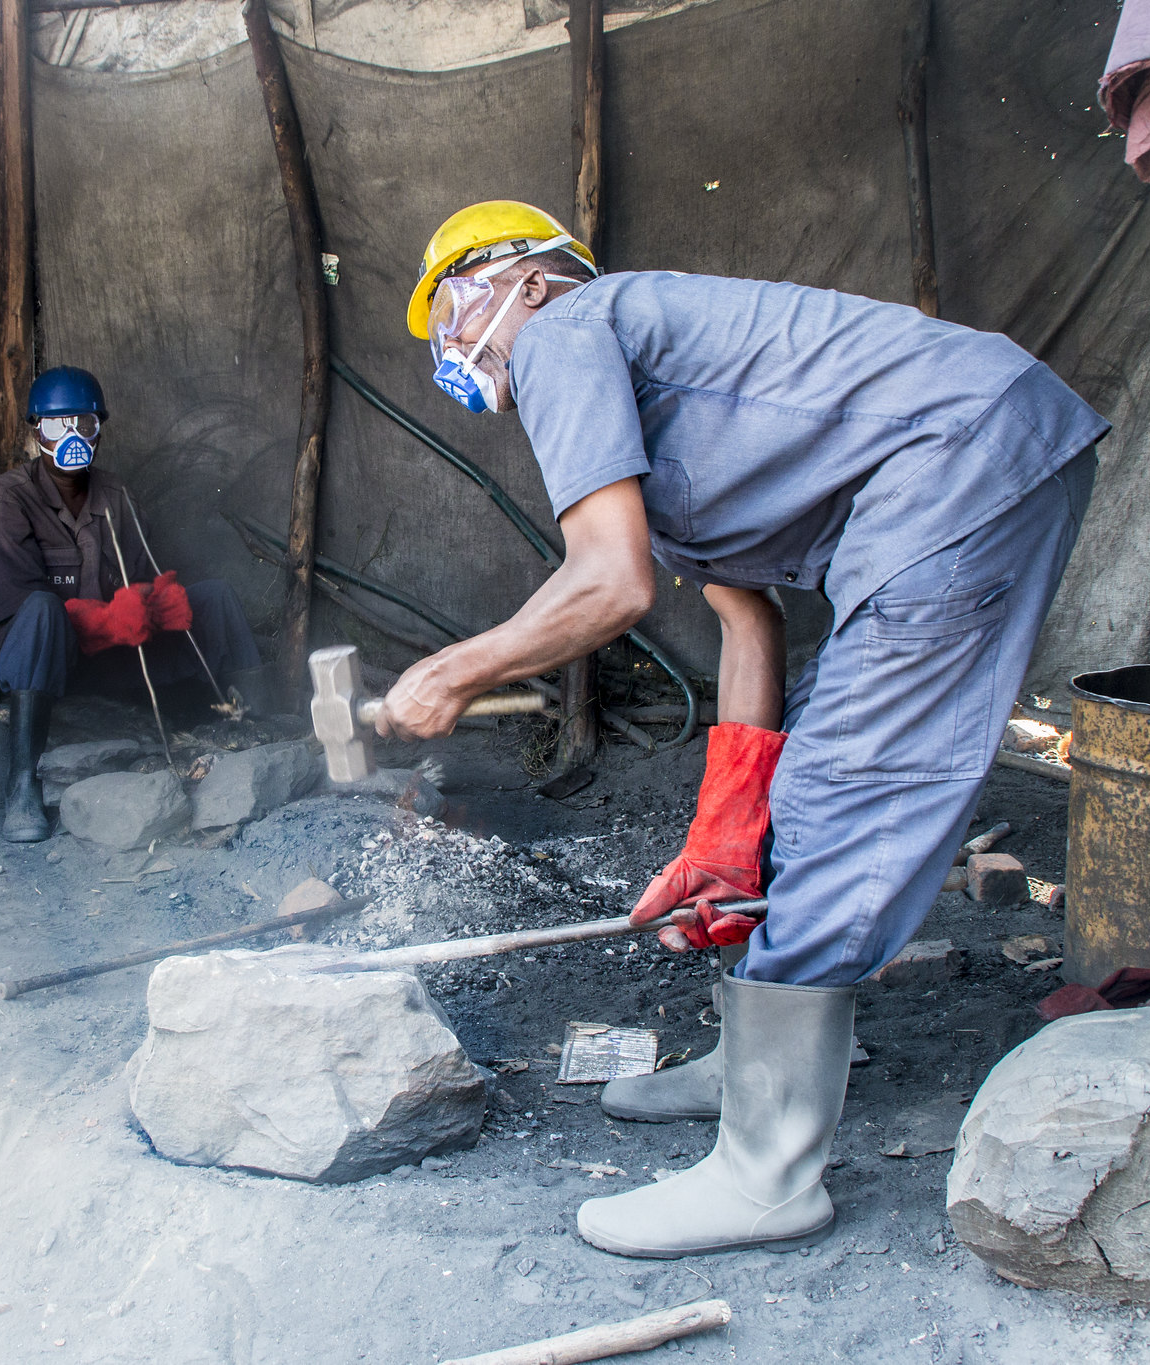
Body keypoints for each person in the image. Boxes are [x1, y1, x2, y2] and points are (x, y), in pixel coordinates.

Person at [380, 202, 1107, 1258]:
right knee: (802, 784)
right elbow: (744, 620)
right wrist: (723, 837)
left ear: (527, 281)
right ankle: (754, 1060)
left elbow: (607, 584)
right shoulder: (654, 408)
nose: (446, 343)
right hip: (960, 462)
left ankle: (766, 1175)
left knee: (844, 789)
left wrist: (451, 673)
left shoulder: (564, 335)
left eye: (448, 307)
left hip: (958, 464)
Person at [0, 365, 268, 843]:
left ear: (99, 431)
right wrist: (108, 620)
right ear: (35, 433)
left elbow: (141, 580)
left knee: (214, 597)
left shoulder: (114, 494)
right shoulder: (6, 498)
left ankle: (255, 724)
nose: (71, 437)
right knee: (43, 613)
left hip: (109, 660)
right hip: (36, 662)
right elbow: (16, 603)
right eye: (55, 425)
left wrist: (156, 600)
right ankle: (22, 785)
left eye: (83, 425)